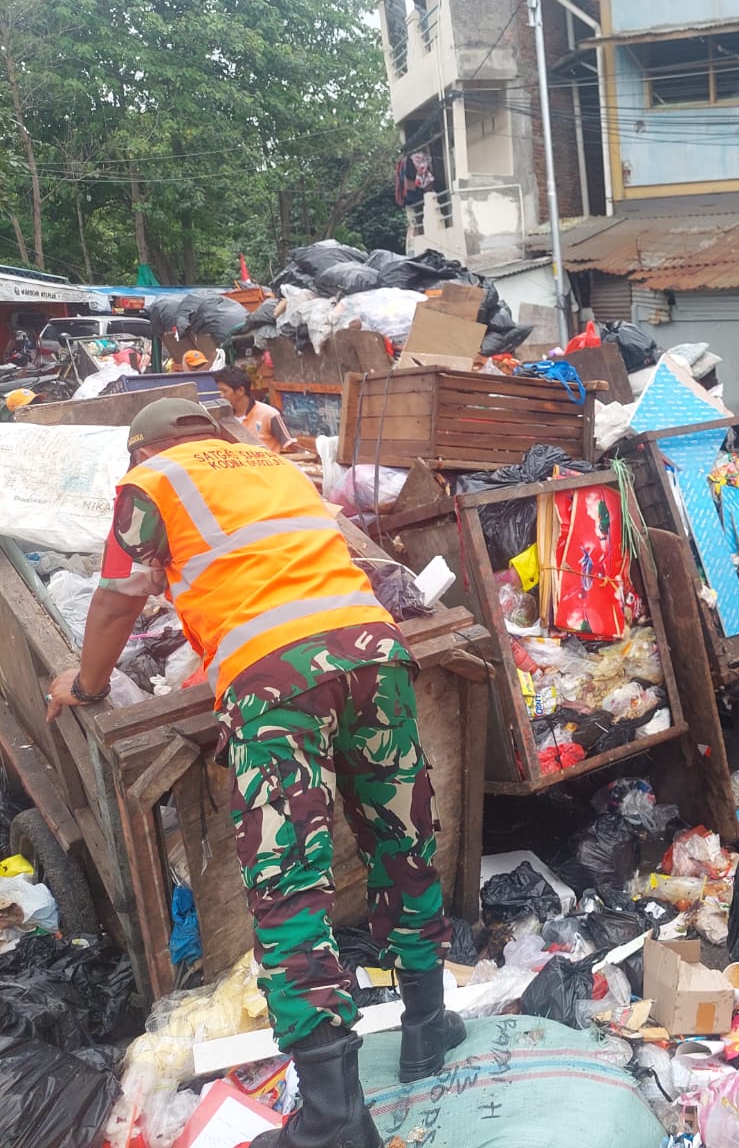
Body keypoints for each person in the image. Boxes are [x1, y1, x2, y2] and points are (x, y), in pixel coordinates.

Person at [46, 399, 461, 1148]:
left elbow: (116, 597)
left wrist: (85, 683)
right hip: (375, 652)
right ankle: (429, 1025)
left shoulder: (154, 479)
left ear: (142, 449)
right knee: (403, 841)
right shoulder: (272, 464)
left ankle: (335, 1121)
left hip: (278, 685)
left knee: (290, 887)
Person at [216, 365, 296, 453]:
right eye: (220, 391)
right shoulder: (223, 419)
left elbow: (290, 447)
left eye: (225, 391)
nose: (221, 396)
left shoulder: (269, 414)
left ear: (240, 391)